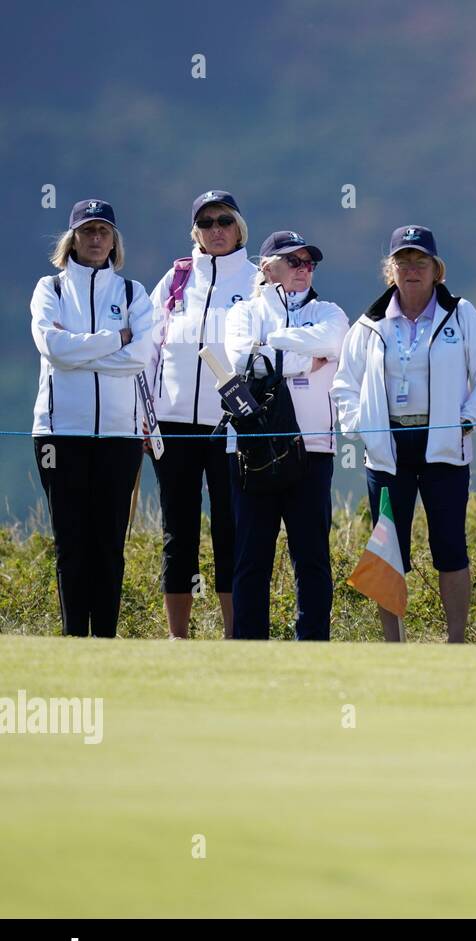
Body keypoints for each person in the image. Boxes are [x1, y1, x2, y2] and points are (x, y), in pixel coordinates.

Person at [333, 226, 476, 643]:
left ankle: (456, 642)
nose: (412, 269)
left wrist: (468, 420)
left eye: (420, 262)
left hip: (444, 448)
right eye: (403, 262)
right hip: (388, 451)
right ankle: (394, 644)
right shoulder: (369, 323)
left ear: (436, 269)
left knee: (450, 548)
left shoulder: (461, 314)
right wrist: (362, 428)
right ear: (390, 270)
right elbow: (344, 384)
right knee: (389, 553)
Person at [31, 198, 155, 637]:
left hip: (119, 434)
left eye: (104, 231)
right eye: (88, 231)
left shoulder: (131, 292)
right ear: (73, 239)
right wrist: (114, 339)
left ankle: (105, 637)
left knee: (109, 544)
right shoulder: (51, 289)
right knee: (71, 542)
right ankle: (73, 637)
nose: (96, 239)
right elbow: (53, 349)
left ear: (114, 240)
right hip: (58, 433)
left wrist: (82, 348)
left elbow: (140, 356)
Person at [223, 231, 348, 640]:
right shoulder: (244, 312)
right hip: (254, 447)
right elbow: (243, 358)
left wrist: (272, 345)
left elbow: (333, 341)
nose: (303, 269)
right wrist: (305, 358)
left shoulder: (330, 310)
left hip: (313, 448)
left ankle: (312, 643)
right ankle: (248, 645)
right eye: (293, 261)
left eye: (309, 263)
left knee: (311, 556)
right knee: (251, 555)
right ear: (267, 268)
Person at [147, 190, 259, 638]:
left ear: (238, 228)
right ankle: (178, 636)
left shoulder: (256, 281)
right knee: (179, 531)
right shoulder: (175, 281)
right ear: (196, 230)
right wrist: (146, 415)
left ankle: (234, 636)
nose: (216, 230)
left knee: (229, 528)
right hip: (172, 425)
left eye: (224, 221)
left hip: (230, 426)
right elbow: (149, 349)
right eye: (207, 222)